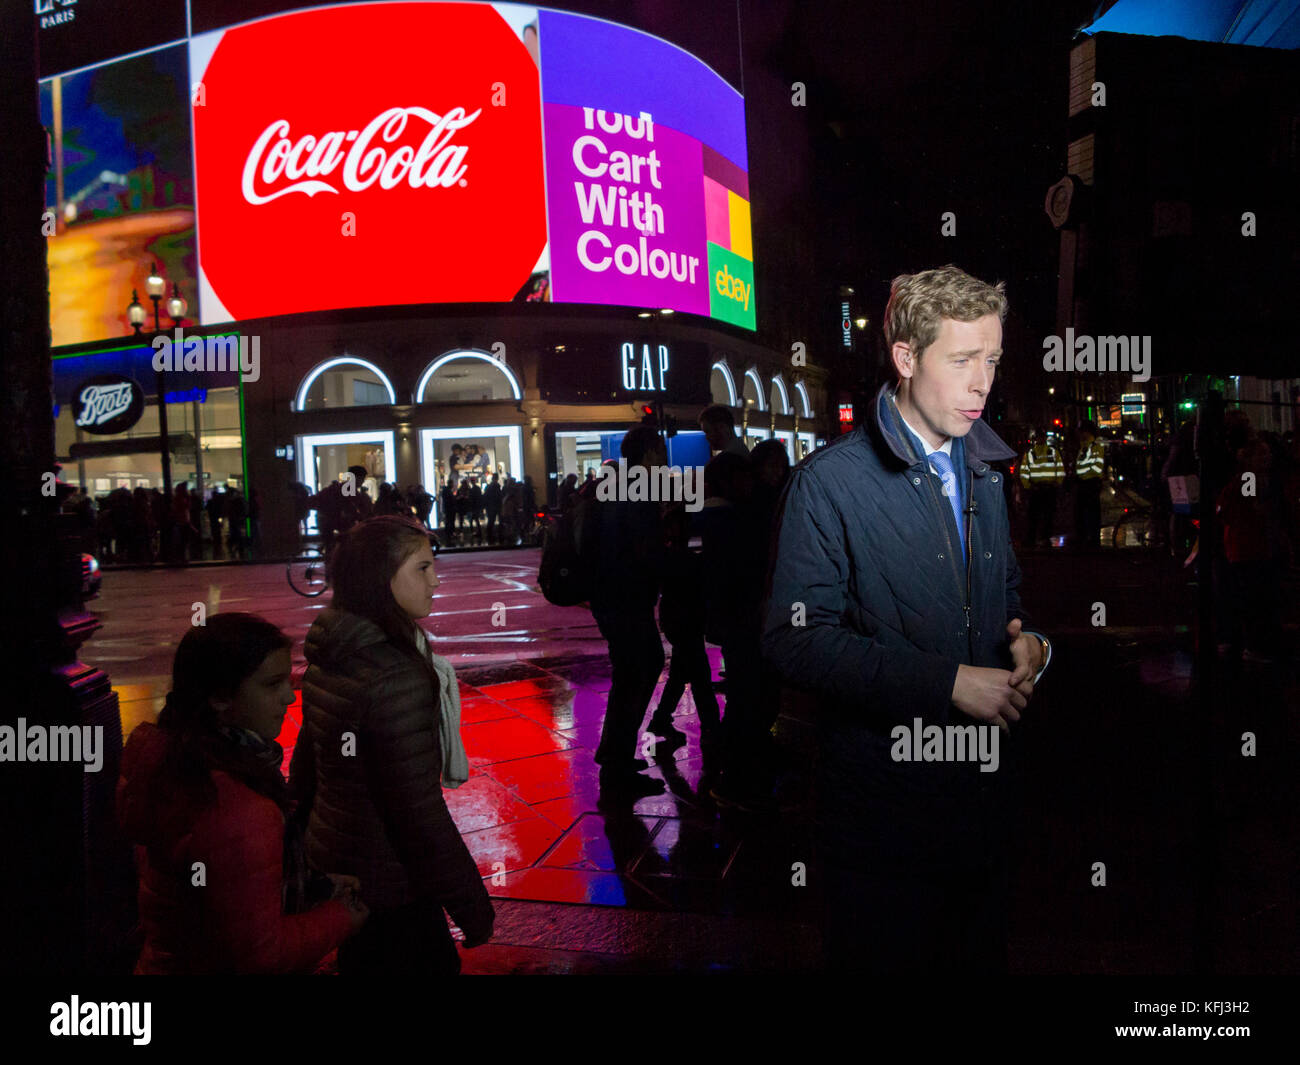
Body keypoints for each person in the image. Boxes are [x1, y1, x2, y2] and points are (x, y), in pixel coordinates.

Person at [762, 265, 1051, 974]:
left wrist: (1034, 646)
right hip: (881, 828)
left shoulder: (984, 470)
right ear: (905, 357)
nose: (983, 382)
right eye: (962, 360)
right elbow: (791, 640)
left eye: (991, 360)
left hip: (982, 814)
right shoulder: (827, 484)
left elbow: (1008, 597)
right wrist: (946, 682)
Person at [291, 515, 493, 974]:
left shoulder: (334, 649)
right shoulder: (395, 674)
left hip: (342, 863)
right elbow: (417, 812)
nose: (436, 582)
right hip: (392, 879)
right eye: (422, 569)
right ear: (381, 579)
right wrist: (471, 907)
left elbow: (309, 765)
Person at [117, 613, 368, 973]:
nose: (288, 697)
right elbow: (259, 955)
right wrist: (341, 917)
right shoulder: (238, 807)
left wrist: (314, 886)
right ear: (220, 697)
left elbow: (228, 893)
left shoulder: (174, 760)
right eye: (272, 684)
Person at [589, 426, 669, 800]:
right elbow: (643, 551)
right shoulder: (637, 491)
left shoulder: (616, 486)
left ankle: (614, 753)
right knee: (642, 669)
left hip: (610, 597)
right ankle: (618, 766)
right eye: (660, 450)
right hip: (627, 599)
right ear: (650, 453)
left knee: (629, 674)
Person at [1018, 427, 1063, 549]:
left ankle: (1043, 538)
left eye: (1042, 437)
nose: (1041, 439)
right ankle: (1033, 539)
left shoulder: (1052, 452)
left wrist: (1057, 483)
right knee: (1034, 515)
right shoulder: (1031, 454)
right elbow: (1024, 472)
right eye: (1039, 437)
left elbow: (1060, 469)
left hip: (1048, 488)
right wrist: (1029, 486)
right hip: (1036, 489)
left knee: (1047, 515)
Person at [1071, 421, 1105, 551]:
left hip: (1090, 484)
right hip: (1084, 484)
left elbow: (1096, 468)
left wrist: (1081, 476)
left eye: (1081, 431)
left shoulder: (1095, 447)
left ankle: (1092, 538)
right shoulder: (1083, 447)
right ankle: (1085, 537)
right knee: (1081, 512)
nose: (1079, 434)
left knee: (1092, 513)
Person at [483, 474, 502, 543]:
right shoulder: (496, 486)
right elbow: (499, 497)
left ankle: (490, 535)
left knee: (491, 521)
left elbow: (485, 497)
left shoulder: (489, 487)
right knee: (495, 521)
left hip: (491, 506)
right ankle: (495, 535)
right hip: (495, 506)